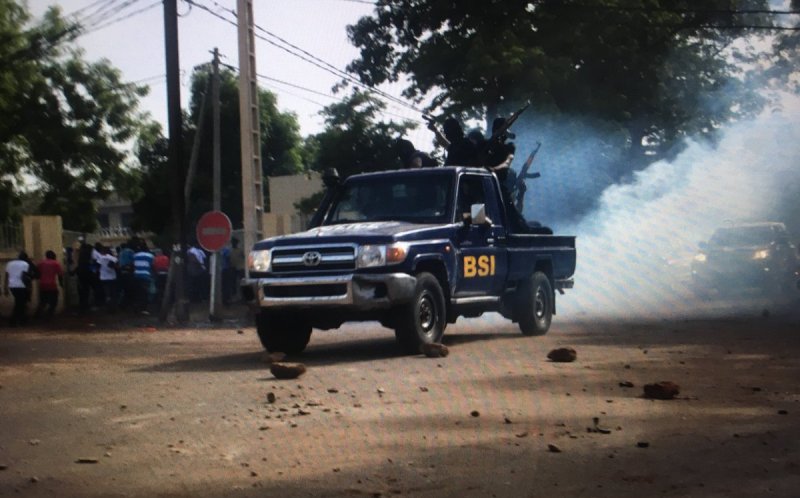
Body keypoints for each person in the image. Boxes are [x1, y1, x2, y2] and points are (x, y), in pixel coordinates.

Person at [4, 251, 33, 326]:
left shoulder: (10, 263)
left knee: (19, 302)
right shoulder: (25, 264)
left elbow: (6, 276)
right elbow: (25, 277)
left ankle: (19, 320)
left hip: (12, 286)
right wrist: (29, 287)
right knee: (20, 303)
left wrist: (5, 288)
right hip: (22, 286)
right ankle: (15, 320)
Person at [36, 250, 64, 319]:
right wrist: (61, 284)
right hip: (52, 285)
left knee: (43, 302)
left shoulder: (41, 263)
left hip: (42, 285)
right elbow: (60, 275)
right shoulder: (56, 263)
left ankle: (37, 315)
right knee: (54, 302)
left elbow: (37, 274)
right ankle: (49, 314)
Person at [132, 242, 154, 313]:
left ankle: (137, 308)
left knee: (138, 293)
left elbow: (133, 265)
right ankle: (144, 308)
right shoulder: (150, 256)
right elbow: (152, 265)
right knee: (145, 293)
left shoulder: (135, 255)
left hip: (136, 275)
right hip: (146, 276)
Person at [97, 245, 118, 311]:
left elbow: (97, 265)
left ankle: (108, 306)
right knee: (113, 293)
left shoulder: (100, 258)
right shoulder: (112, 258)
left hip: (103, 277)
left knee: (107, 292)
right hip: (112, 277)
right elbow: (116, 264)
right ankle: (113, 306)